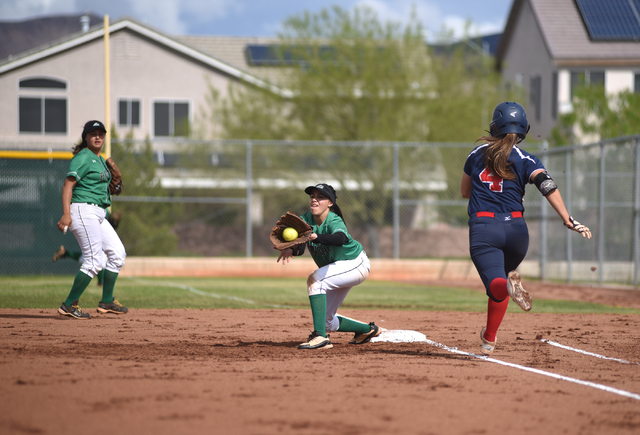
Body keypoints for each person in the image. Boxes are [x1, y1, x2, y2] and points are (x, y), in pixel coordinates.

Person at [461, 101, 592, 355]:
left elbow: (465, 192)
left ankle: (507, 288)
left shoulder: (476, 155)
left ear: (494, 126)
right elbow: (546, 184)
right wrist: (567, 218)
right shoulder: (526, 158)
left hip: (484, 228)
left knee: (497, 284)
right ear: (524, 129)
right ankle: (488, 340)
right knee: (501, 280)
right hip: (517, 231)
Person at [275, 183, 380, 349]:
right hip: (338, 268)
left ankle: (320, 338)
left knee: (315, 279)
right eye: (312, 196)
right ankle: (368, 330)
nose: (314, 200)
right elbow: (301, 247)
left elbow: (339, 239)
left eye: (320, 197)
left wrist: (315, 237)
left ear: (330, 203)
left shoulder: (333, 220)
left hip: (355, 263)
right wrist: (291, 249)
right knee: (326, 321)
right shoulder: (304, 220)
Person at [56, 120, 128, 319]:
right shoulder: (83, 157)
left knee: (117, 253)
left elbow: (107, 189)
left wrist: (115, 188)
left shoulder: (100, 160)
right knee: (94, 260)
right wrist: (66, 214)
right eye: (93, 133)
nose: (98, 137)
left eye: (101, 134)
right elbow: (68, 185)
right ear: (86, 137)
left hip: (98, 213)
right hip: (82, 210)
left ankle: (107, 301)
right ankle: (69, 304)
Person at [53, 211, 122, 286]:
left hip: (92, 230)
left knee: (86, 259)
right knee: (99, 259)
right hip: (91, 229)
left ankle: (65, 253)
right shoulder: (100, 209)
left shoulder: (104, 210)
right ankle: (101, 282)